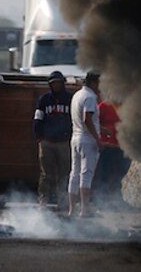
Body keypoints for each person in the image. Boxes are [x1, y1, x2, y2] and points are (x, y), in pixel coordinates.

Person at [33, 71, 72, 209]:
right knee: (45, 174)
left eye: (58, 83)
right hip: (47, 142)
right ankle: (43, 201)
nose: (56, 86)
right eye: (53, 83)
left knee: (64, 174)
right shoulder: (44, 100)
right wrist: (39, 137)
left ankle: (63, 201)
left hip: (64, 142)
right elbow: (38, 119)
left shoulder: (70, 99)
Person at [68, 71, 101, 218]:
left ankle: (71, 210)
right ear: (94, 83)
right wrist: (98, 139)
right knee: (86, 174)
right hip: (87, 140)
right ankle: (84, 210)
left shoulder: (77, 95)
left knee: (74, 173)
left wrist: (102, 128)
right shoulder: (90, 97)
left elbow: (86, 120)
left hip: (75, 137)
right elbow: (87, 119)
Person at [95, 95, 129, 202]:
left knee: (121, 173)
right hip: (107, 146)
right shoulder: (103, 106)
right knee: (105, 173)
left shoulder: (127, 107)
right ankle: (101, 199)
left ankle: (117, 199)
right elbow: (95, 123)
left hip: (122, 146)